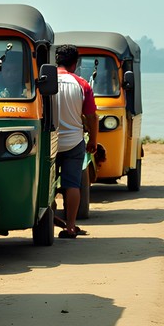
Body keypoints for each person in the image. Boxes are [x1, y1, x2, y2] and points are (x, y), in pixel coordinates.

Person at [55, 44, 98, 238]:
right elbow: (91, 117)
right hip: (74, 141)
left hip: (50, 142)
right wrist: (93, 141)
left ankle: (47, 220)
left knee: (45, 185)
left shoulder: (44, 81)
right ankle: (71, 226)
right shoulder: (82, 84)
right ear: (75, 63)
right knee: (72, 184)